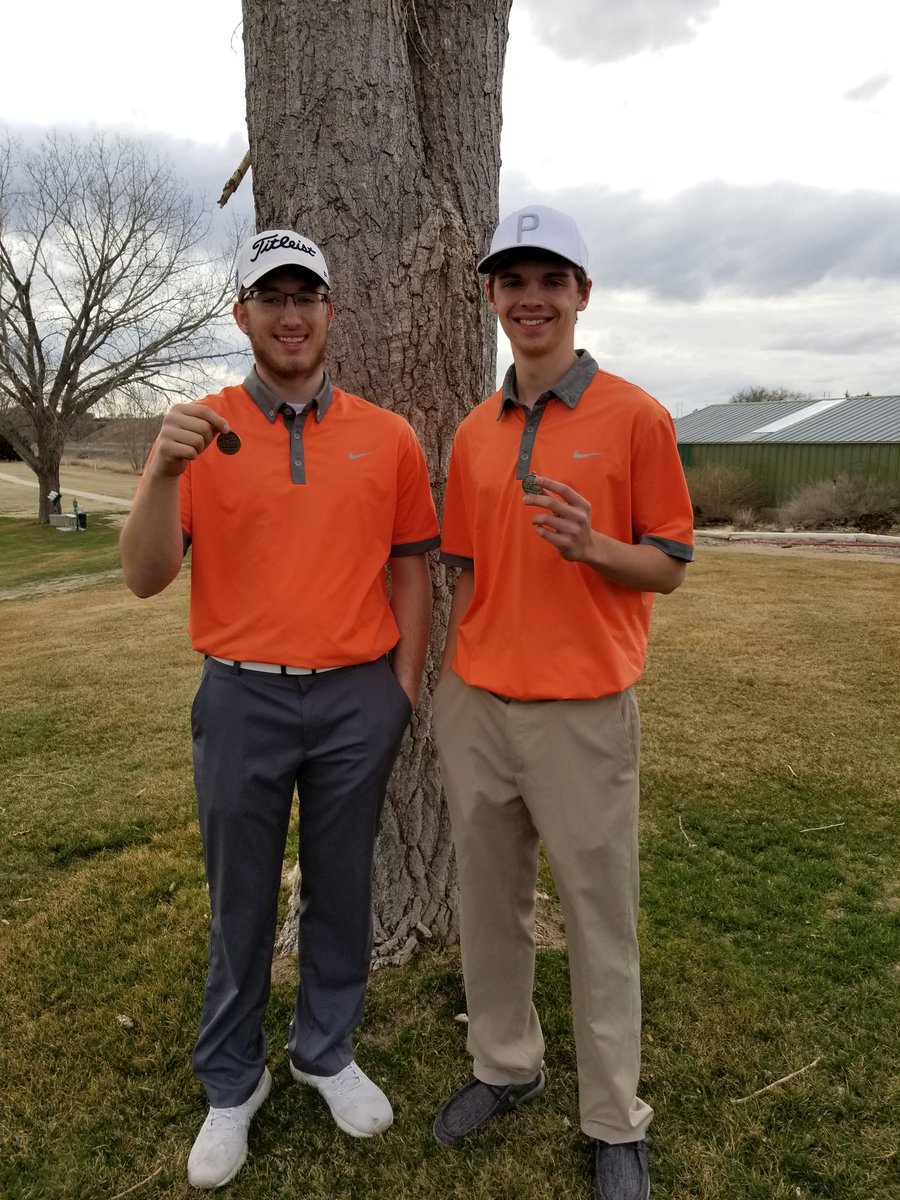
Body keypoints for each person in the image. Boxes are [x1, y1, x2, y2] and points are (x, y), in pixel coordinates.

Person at [120, 229, 439, 1190]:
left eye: (307, 297)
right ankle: (232, 1082)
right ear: (242, 314)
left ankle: (325, 1051)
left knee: (343, 886)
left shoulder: (386, 436)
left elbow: (411, 563)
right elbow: (143, 579)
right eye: (272, 298)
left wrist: (402, 690)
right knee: (241, 898)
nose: (291, 315)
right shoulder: (197, 430)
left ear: (331, 311)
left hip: (356, 697)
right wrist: (160, 473)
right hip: (241, 693)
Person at [431, 205, 694, 1200]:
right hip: (479, 704)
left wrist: (596, 549)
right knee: (488, 904)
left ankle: (614, 1117)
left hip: (584, 710)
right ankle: (506, 1066)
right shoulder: (473, 431)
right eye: (513, 282)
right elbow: (463, 567)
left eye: (551, 280)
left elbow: (667, 566)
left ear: (581, 293)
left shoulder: (637, 418)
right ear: (494, 298)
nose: (531, 299)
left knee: (598, 916)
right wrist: (463, 675)